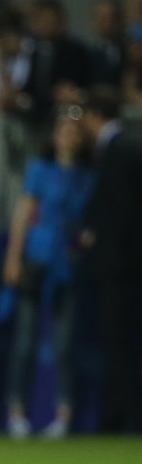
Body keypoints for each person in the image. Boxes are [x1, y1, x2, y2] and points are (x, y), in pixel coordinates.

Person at [1, 109, 94, 439]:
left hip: (67, 263)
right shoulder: (39, 170)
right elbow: (23, 214)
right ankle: (16, 412)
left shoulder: (87, 174)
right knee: (25, 341)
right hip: (38, 259)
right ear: (54, 136)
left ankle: (63, 414)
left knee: (64, 343)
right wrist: (13, 257)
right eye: (64, 131)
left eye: (74, 132)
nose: (69, 137)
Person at [78, 88, 142, 433]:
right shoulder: (128, 144)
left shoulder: (117, 149)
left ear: (94, 116)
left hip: (120, 268)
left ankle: (123, 418)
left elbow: (119, 214)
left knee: (118, 343)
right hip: (126, 266)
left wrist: (98, 243)